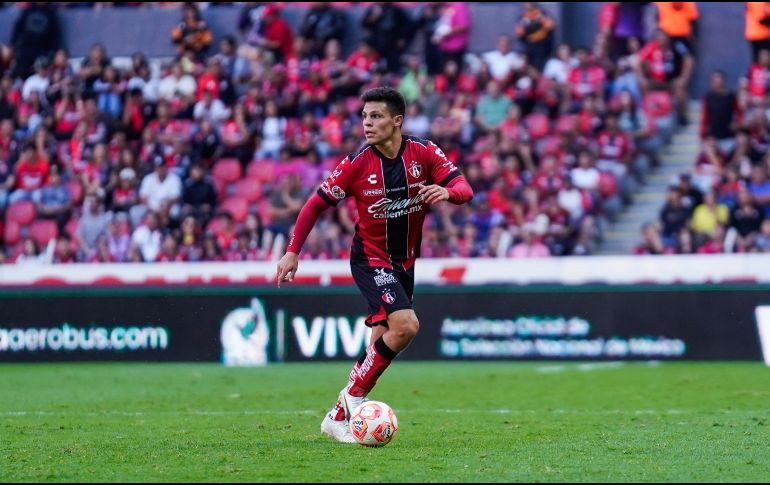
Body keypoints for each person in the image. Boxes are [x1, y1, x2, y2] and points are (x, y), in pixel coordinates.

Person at [275, 87, 473, 443]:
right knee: (407, 326)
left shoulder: (424, 152)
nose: (367, 123)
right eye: (365, 117)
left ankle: (336, 418)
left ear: (397, 121)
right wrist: (293, 251)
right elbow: (314, 205)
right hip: (370, 259)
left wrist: (446, 192)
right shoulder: (356, 164)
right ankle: (353, 399)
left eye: (376, 116)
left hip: (405, 264)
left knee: (380, 345)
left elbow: (464, 187)